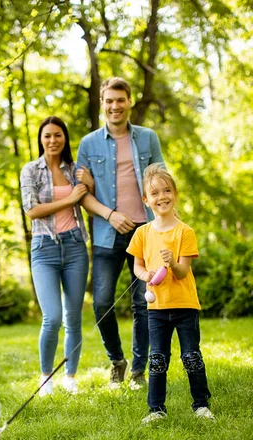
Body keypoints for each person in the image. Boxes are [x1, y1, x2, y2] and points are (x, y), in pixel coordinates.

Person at [77, 77, 165, 390]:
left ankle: (139, 371)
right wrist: (110, 214)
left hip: (145, 231)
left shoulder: (148, 138)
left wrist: (165, 223)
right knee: (101, 302)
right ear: (102, 104)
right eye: (109, 101)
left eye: (120, 100)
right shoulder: (88, 144)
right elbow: (82, 193)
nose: (115, 106)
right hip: (106, 233)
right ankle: (117, 361)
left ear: (129, 102)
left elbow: (160, 180)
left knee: (144, 302)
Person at [127, 163, 214, 423]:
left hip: (185, 305)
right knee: (157, 359)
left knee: (191, 357)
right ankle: (156, 409)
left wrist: (171, 261)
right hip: (157, 308)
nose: (161, 197)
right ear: (146, 199)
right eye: (154, 193)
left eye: (166, 191)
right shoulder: (142, 233)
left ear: (174, 194)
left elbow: (182, 272)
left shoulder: (185, 232)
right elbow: (138, 267)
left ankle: (201, 405)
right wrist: (148, 276)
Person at [20, 116, 91, 395]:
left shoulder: (74, 170)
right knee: (52, 317)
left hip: (75, 246)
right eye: (47, 135)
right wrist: (69, 199)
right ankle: (46, 376)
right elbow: (32, 210)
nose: (53, 140)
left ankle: (70, 377)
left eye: (58, 135)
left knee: (73, 318)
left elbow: (88, 197)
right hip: (44, 248)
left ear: (65, 138)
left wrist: (89, 183)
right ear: (41, 139)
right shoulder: (30, 170)